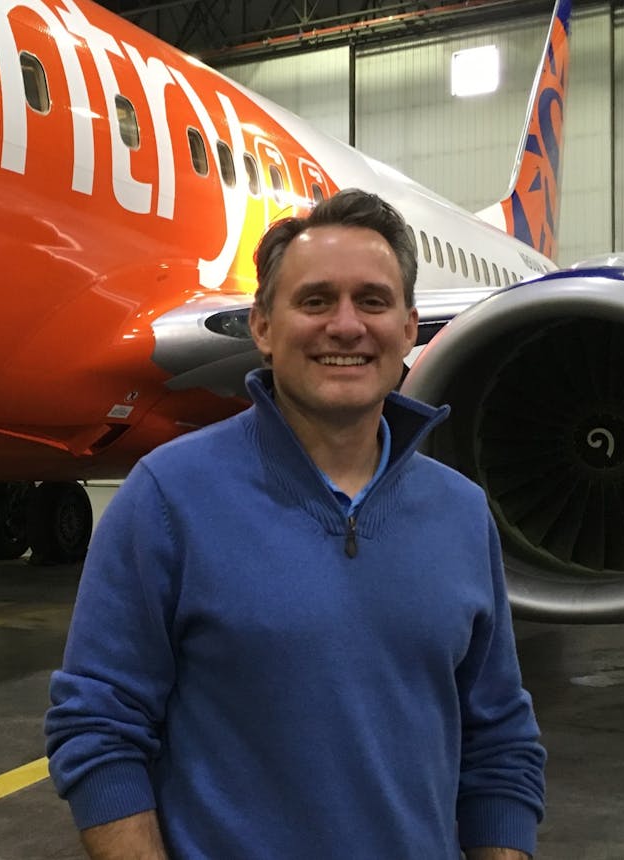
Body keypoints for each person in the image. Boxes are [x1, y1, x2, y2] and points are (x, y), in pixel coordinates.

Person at [44, 189, 546, 859]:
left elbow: (501, 741)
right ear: (262, 327)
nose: (345, 326)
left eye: (372, 301)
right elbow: (97, 726)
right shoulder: (168, 497)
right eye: (314, 301)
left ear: (409, 328)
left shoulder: (460, 513)